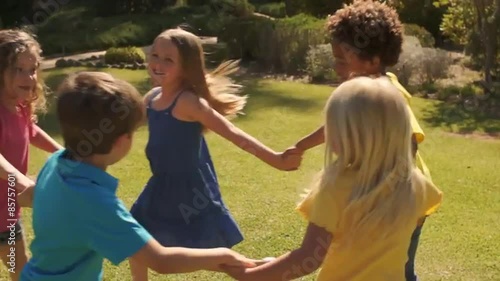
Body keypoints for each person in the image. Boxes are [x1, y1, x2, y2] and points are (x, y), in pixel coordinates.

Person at [20, 71, 261, 281]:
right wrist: (224, 255)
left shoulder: (56, 162)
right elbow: (160, 260)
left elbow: (33, 195)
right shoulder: (95, 202)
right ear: (121, 141)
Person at [225, 77, 443, 281]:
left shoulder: (336, 187)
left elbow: (308, 259)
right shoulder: (417, 184)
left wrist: (252, 276)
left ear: (352, 135)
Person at [129, 28, 301, 281]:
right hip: (159, 185)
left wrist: (276, 159)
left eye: (169, 59)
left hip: (188, 191)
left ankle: (260, 269)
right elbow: (125, 125)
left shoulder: (188, 102)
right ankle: (260, 267)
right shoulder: (152, 98)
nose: (157, 63)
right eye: (154, 55)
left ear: (186, 67)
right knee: (136, 240)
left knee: (200, 252)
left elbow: (234, 134)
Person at [283, 1, 432, 280]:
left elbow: (409, 146)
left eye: (342, 59)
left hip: (399, 196)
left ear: (373, 61)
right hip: (378, 192)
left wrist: (389, 189)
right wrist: (302, 145)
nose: (336, 66)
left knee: (396, 265)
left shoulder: (390, 96)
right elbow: (340, 125)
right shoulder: (358, 97)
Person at [0, 29, 63, 281]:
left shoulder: (21, 105)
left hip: (8, 218)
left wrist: (62, 152)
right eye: (19, 69)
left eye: (33, 69)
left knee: (19, 271)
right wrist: (22, 181)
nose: (29, 76)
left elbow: (31, 131)